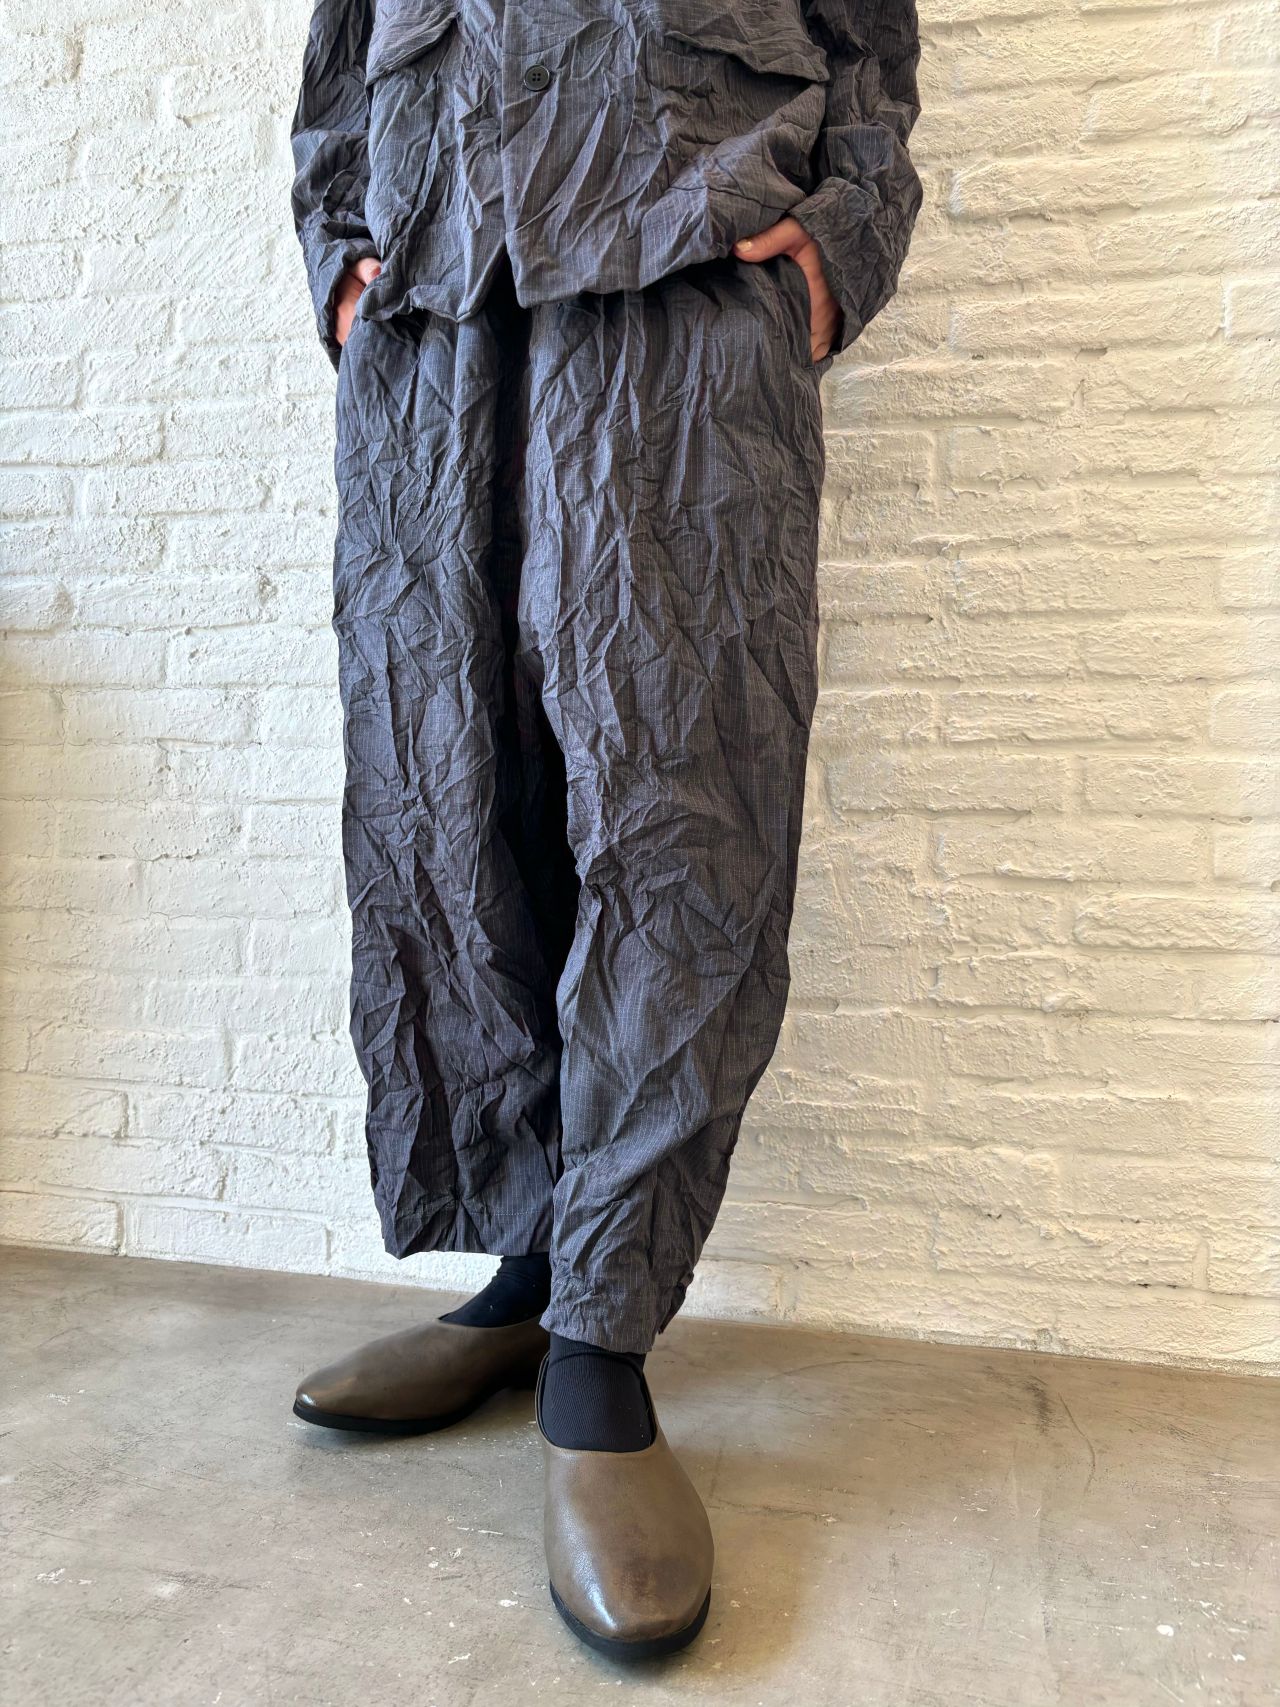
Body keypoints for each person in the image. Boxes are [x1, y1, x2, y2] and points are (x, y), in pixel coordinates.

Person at [288, 0, 922, 1660]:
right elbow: (337, 76)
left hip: (680, 292)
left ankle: (600, 1352)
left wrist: (836, 248)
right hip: (436, 321)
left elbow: (871, 59)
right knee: (447, 803)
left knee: (679, 814)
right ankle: (525, 1278)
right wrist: (341, 265)